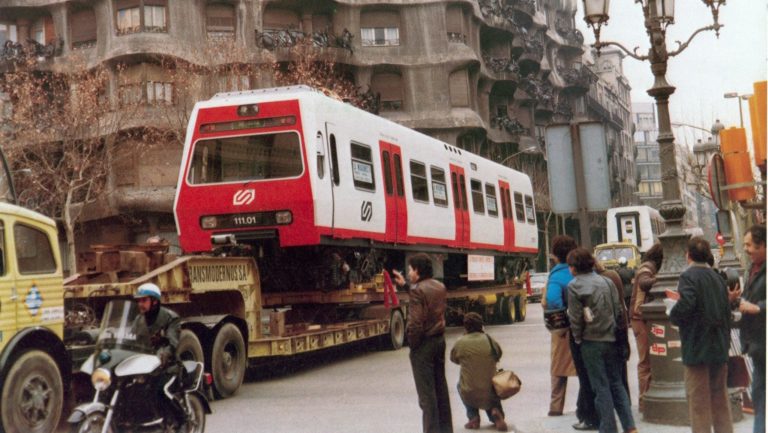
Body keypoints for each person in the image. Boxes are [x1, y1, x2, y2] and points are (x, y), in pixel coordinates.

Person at [566, 248, 636, 433]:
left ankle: (608, 427)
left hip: (591, 340)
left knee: (600, 387)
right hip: (612, 338)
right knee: (617, 384)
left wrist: (578, 338)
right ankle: (629, 426)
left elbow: (575, 318)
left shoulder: (574, 286)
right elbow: (618, 310)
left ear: (574, 267)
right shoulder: (607, 281)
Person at [670, 237, 733, 433]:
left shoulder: (688, 277)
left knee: (698, 403)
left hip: (697, 347)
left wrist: (673, 313)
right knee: (720, 399)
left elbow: (686, 305)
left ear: (688, 256)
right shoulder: (717, 277)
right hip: (719, 346)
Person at [393, 253, 453, 433]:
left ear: (417, 270)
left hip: (424, 345)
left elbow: (415, 323)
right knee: (440, 389)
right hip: (439, 341)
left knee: (427, 396)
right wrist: (405, 284)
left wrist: (412, 344)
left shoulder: (418, 290)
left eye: (411, 269)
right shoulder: (439, 286)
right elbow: (422, 293)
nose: (409, 272)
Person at [133, 282, 185, 426]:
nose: (140, 304)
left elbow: (172, 344)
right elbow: (130, 340)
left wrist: (161, 357)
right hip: (145, 368)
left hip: (169, 367)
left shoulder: (170, 318)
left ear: (154, 301)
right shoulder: (138, 320)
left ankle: (181, 421)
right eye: (139, 301)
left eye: (144, 300)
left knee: (161, 391)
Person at [730, 225, 766, 433]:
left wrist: (758, 307)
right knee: (759, 395)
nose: (746, 249)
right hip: (758, 345)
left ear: (763, 246)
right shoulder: (751, 268)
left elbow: (757, 304)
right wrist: (736, 300)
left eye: (749, 245)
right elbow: (749, 300)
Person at [450, 312, 508, 432]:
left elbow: (454, 359)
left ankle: (473, 417)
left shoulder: (460, 342)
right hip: (490, 390)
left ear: (465, 327)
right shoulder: (489, 339)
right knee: (490, 390)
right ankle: (495, 413)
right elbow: (499, 354)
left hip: (469, 391)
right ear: (481, 326)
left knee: (460, 385)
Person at [629, 242, 663, 411]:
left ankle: (647, 398)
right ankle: (643, 401)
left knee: (648, 360)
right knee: (645, 362)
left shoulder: (647, 266)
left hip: (641, 319)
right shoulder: (647, 268)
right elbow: (644, 282)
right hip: (640, 319)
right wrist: (661, 279)